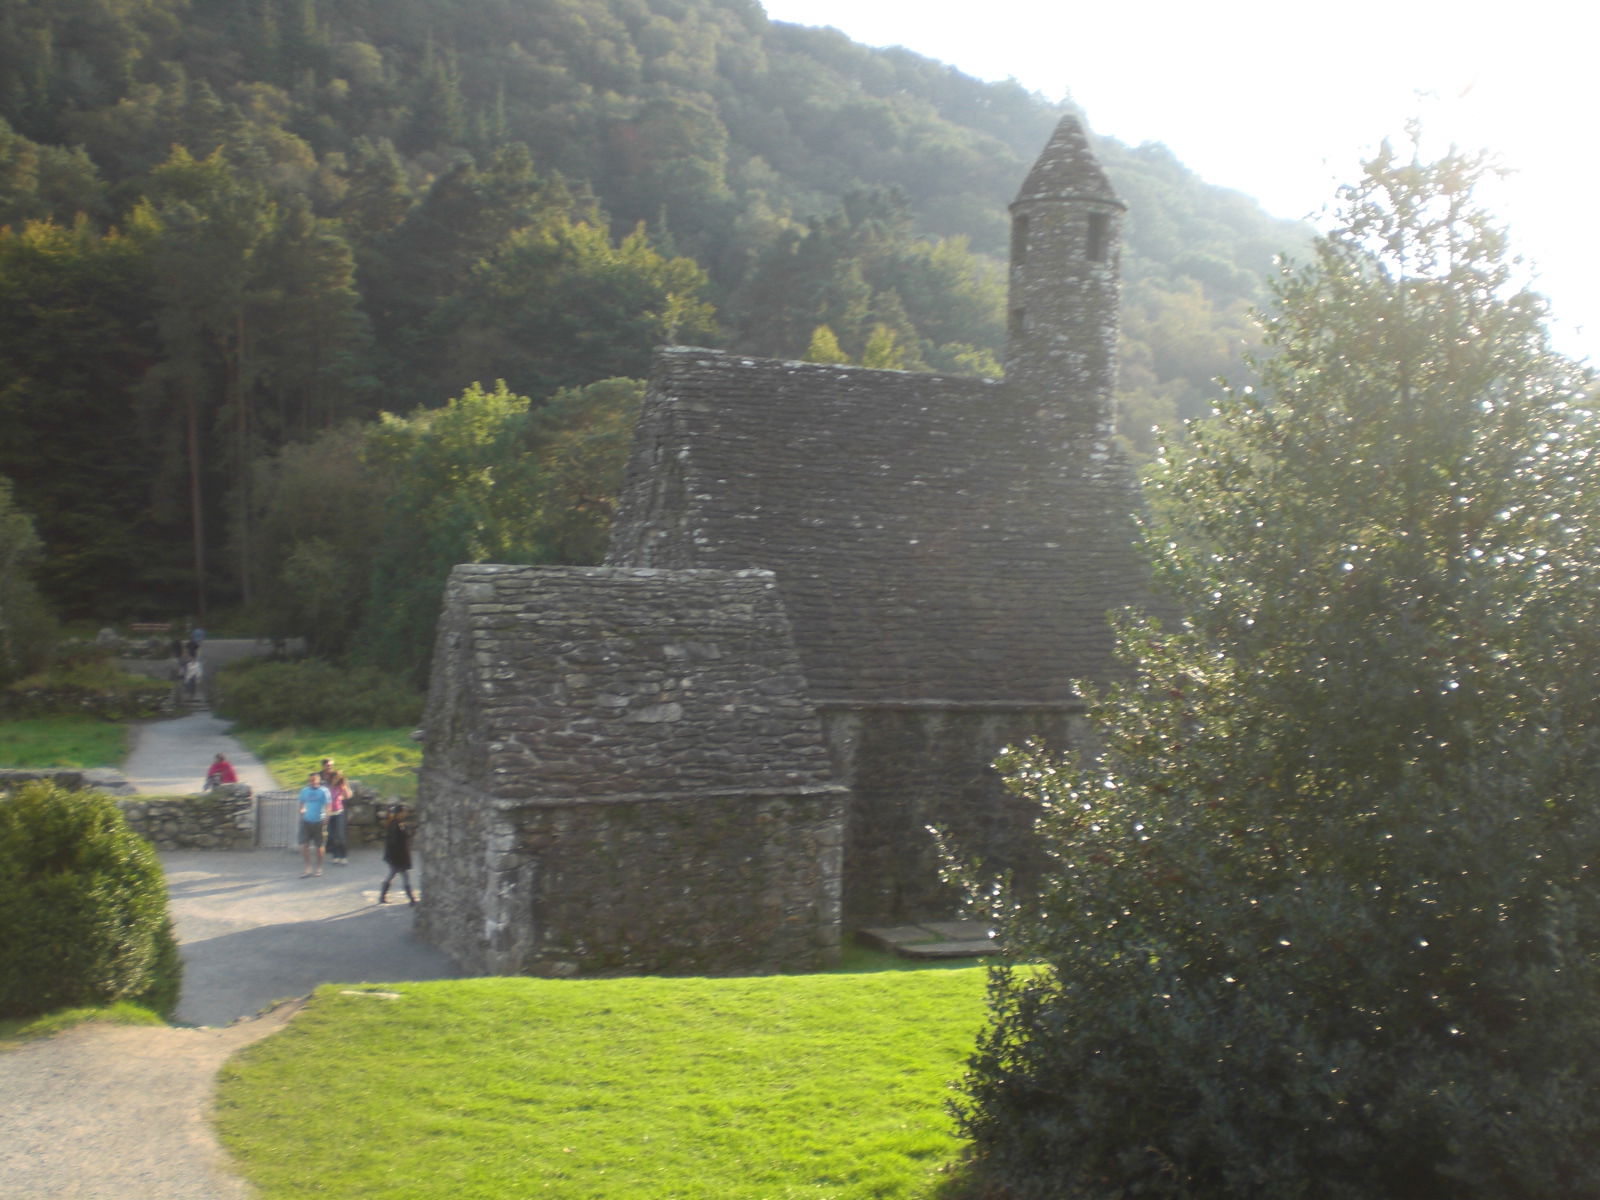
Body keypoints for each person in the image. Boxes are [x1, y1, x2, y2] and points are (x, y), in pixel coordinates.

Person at [378, 804, 416, 905]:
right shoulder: (396, 825)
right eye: (404, 812)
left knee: (392, 875)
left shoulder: (395, 824)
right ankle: (411, 899)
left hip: (397, 857)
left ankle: (382, 896)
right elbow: (395, 842)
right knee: (404, 877)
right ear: (399, 813)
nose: (406, 813)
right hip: (398, 857)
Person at [298, 772, 332, 877]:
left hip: (319, 821)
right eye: (310, 780)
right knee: (305, 845)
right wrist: (302, 810)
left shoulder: (324, 791)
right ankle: (307, 867)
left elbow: (328, 805)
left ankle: (319, 867)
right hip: (307, 821)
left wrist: (327, 816)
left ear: (318, 780)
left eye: (314, 780)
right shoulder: (304, 791)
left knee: (319, 846)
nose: (312, 782)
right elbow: (302, 803)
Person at [324, 768, 352, 865]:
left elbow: (348, 796)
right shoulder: (327, 787)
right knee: (332, 836)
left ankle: (343, 856)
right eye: (334, 777)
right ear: (331, 778)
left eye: (338, 778)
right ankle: (335, 855)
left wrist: (344, 788)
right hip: (330, 813)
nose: (335, 779)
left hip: (339, 812)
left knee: (340, 835)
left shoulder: (341, 786)